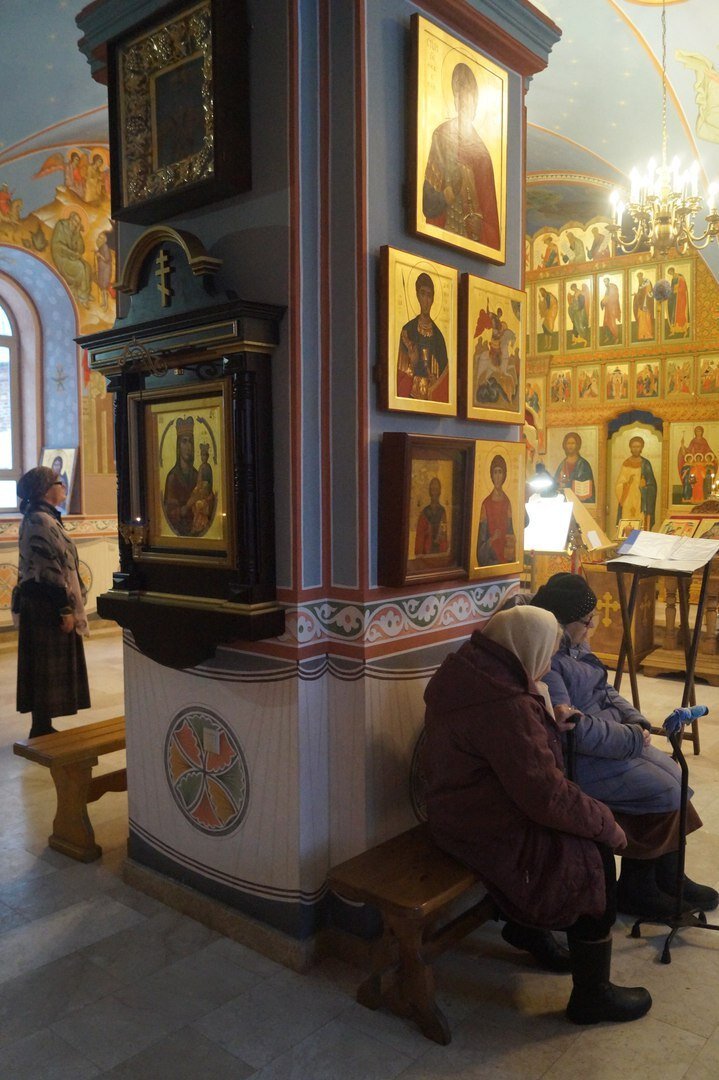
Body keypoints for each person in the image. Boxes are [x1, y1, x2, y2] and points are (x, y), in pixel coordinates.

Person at [422, 605, 651, 1024]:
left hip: (459, 805)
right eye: (546, 654)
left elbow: (512, 750)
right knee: (592, 856)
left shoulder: (476, 669)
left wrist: (547, 718)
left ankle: (526, 929)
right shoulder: (502, 703)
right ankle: (592, 995)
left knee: (581, 834)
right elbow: (545, 796)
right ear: (525, 648)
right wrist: (607, 825)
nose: (546, 666)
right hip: (480, 822)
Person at [531, 573, 718, 919]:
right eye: (587, 621)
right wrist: (630, 738)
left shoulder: (576, 644)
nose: (592, 627)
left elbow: (604, 690)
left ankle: (669, 875)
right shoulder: (550, 662)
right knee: (664, 790)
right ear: (564, 622)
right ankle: (638, 887)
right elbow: (572, 731)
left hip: (613, 740)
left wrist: (636, 720)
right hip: (583, 759)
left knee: (676, 775)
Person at [15, 467, 90, 738]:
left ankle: (43, 725)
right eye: (60, 483)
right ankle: (40, 727)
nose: (64, 487)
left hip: (45, 601)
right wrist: (64, 609)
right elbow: (48, 570)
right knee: (44, 667)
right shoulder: (39, 520)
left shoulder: (44, 517)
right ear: (46, 490)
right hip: (45, 604)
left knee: (46, 667)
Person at [422, 62, 500, 250]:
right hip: (445, 230)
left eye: (469, 99)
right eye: (460, 97)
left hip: (472, 238)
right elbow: (428, 200)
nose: (464, 104)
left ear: (475, 105)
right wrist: (446, 196)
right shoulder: (441, 135)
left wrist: (481, 226)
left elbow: (490, 213)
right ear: (455, 101)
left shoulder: (482, 154)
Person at [396, 272, 449, 402]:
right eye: (422, 294)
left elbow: (445, 380)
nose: (425, 300)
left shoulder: (438, 337)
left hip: (431, 398)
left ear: (433, 299)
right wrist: (412, 365)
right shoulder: (407, 331)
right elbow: (398, 383)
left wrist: (436, 383)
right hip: (410, 396)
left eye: (429, 295)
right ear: (417, 296)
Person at [477, 454, 515, 566]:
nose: (498, 476)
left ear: (504, 475)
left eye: (500, 472)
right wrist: (492, 539)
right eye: (495, 472)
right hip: (491, 559)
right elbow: (480, 545)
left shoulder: (508, 503)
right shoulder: (486, 505)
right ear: (491, 475)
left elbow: (512, 532)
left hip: (506, 559)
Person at [163, 416, 199, 535]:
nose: (189, 446)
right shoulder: (173, 477)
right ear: (178, 446)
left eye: (191, 442)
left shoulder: (197, 475)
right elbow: (170, 513)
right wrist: (188, 505)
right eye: (184, 441)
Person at [615, 435, 657, 529]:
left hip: (641, 498)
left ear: (641, 448)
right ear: (630, 448)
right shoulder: (626, 463)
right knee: (627, 519)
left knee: (640, 520)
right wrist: (627, 483)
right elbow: (619, 484)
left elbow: (652, 485)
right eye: (633, 447)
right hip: (628, 497)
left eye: (638, 446)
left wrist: (645, 486)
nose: (635, 449)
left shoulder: (646, 464)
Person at [553, 432, 594, 502]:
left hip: (580, 502)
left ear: (577, 445)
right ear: (565, 445)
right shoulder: (562, 464)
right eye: (568, 443)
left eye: (573, 443)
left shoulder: (583, 464)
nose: (570, 446)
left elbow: (588, 487)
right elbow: (555, 484)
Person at [415, 476, 448, 556]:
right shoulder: (425, 512)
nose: (434, 492)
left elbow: (444, 533)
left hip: (439, 552)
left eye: (436, 489)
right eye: (433, 489)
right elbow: (420, 537)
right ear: (430, 491)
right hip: (426, 552)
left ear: (439, 491)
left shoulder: (442, 511)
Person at [667, 267, 690, 336]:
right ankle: (674, 330)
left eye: (670, 272)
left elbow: (683, 287)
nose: (670, 274)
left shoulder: (680, 277)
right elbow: (672, 288)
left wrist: (677, 290)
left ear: (673, 271)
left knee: (681, 312)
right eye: (669, 273)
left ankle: (684, 330)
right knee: (674, 313)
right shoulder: (673, 279)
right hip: (675, 298)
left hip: (680, 298)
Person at [632, 272, 655, 340]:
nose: (638, 278)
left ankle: (648, 334)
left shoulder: (647, 282)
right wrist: (636, 295)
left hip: (646, 304)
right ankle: (642, 335)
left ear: (641, 276)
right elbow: (640, 294)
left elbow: (649, 293)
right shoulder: (640, 284)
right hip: (640, 305)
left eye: (639, 277)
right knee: (641, 319)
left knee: (647, 319)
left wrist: (645, 303)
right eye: (637, 277)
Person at [600, 277, 621, 344]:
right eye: (604, 282)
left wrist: (607, 300)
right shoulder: (607, 289)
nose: (605, 283)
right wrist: (602, 302)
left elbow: (615, 297)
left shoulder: (613, 287)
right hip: (607, 309)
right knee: (606, 322)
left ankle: (616, 337)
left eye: (606, 281)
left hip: (612, 308)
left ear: (608, 281)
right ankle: (609, 337)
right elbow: (605, 297)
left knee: (612, 322)